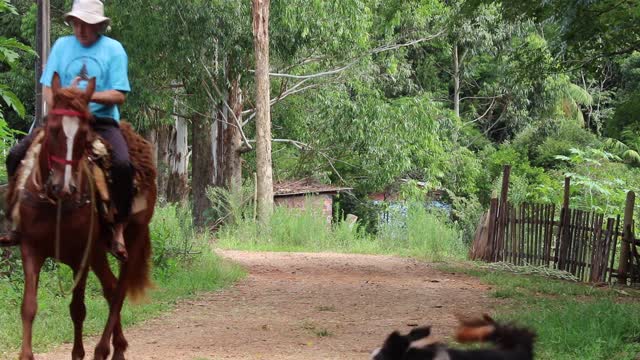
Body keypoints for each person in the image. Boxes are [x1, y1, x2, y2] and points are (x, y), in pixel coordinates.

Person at [0, 0, 133, 261]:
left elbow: (119, 95)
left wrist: (83, 98)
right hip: (62, 121)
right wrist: (62, 107)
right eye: (77, 23)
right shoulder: (62, 46)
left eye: (87, 24)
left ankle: (118, 228)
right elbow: (49, 87)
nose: (81, 29)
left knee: (123, 164)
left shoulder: (114, 50)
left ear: (99, 26)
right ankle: (15, 220)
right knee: (16, 155)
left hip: (100, 121)